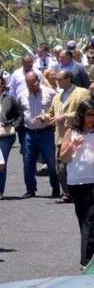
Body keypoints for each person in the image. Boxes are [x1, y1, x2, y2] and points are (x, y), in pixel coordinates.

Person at [46, 70, 92, 204]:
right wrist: (45, 116)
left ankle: (81, 190)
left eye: (59, 79)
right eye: (56, 79)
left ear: (68, 79)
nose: (57, 82)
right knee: (60, 166)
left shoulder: (82, 93)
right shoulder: (57, 96)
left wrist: (66, 116)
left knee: (81, 162)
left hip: (80, 133)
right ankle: (67, 194)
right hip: (61, 135)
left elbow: (87, 111)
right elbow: (51, 112)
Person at [59, 100, 94, 269]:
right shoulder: (71, 132)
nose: (92, 118)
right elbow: (63, 158)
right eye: (89, 114)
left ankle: (86, 260)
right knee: (84, 221)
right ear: (81, 115)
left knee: (91, 219)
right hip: (77, 182)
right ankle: (89, 259)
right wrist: (73, 146)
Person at [17, 72, 59, 198]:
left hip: (46, 132)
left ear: (38, 81)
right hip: (29, 132)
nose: (32, 87)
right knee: (28, 161)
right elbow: (19, 113)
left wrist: (48, 117)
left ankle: (56, 188)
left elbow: (58, 108)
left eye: (34, 83)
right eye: (29, 84)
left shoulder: (50, 93)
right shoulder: (21, 95)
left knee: (51, 162)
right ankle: (30, 189)